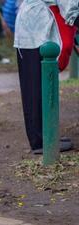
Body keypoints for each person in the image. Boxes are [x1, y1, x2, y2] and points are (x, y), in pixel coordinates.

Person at [14, 0, 79, 154]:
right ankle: (41, 142)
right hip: (39, 28)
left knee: (35, 86)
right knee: (37, 88)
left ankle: (46, 136)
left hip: (31, 25)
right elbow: (68, 6)